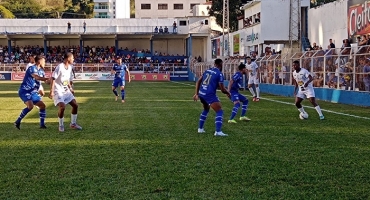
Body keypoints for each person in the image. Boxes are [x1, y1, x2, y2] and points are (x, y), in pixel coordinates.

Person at [193, 58, 230, 137]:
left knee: (206, 109)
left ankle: (200, 129)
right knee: (219, 111)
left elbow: (198, 81)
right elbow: (222, 89)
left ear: (214, 64)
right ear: (220, 64)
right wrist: (228, 93)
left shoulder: (207, 70)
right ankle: (218, 131)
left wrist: (196, 94)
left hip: (201, 93)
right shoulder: (219, 74)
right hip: (209, 94)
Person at [49, 52, 82, 132]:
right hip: (58, 90)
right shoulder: (60, 67)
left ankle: (73, 124)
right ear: (68, 58)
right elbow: (53, 78)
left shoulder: (70, 67)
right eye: (72, 58)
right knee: (62, 107)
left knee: (75, 105)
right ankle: (61, 125)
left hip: (66, 90)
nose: (73, 59)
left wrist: (70, 88)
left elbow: (67, 80)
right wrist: (52, 91)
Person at [14, 55, 50, 130]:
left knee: (42, 106)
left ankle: (42, 124)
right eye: (44, 61)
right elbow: (36, 77)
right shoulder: (32, 68)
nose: (45, 63)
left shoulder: (42, 71)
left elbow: (46, 81)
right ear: (39, 61)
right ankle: (18, 121)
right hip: (25, 90)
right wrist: (47, 79)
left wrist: (52, 81)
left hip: (33, 92)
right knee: (30, 106)